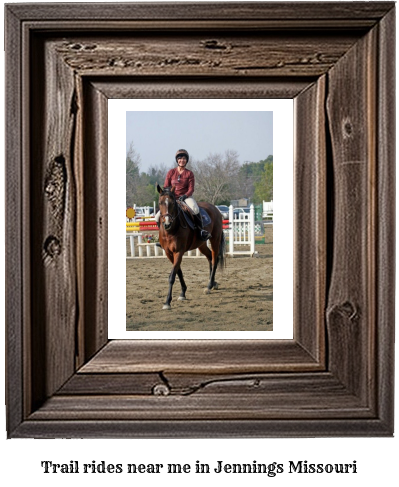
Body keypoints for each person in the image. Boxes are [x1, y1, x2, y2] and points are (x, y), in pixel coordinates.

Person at [155, 149, 211, 241]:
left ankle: (201, 231)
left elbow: (191, 189)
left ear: (186, 160)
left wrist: (185, 195)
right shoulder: (171, 172)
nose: (182, 160)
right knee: (157, 217)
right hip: (172, 198)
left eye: (184, 158)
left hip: (186, 198)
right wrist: (170, 195)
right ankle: (162, 237)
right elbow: (166, 187)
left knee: (195, 209)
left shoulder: (189, 173)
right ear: (177, 160)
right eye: (180, 158)